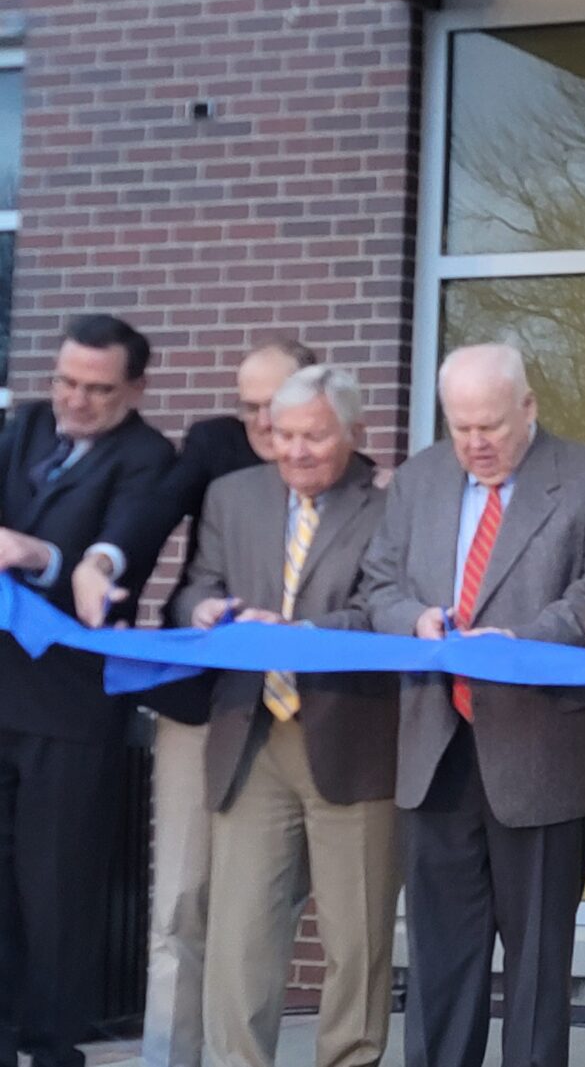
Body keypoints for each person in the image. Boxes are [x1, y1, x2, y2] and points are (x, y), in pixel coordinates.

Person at [361, 344, 585, 1067]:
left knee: (539, 962)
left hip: (540, 748)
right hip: (436, 749)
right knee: (440, 959)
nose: (476, 443)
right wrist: (415, 619)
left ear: (529, 407)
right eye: (461, 428)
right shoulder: (418, 481)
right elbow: (378, 585)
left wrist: (515, 642)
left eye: (491, 426)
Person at [69, 337, 317, 1067]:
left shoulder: (355, 474)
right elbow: (153, 509)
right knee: (181, 902)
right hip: (201, 703)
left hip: (294, 716)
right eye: (247, 407)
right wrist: (102, 560)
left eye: (273, 406)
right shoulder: (216, 445)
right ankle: (168, 1058)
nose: (260, 424)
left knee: (262, 912)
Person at [171, 366, 400, 1067]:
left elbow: (384, 609)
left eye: (315, 436)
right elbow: (195, 588)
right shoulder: (231, 495)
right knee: (240, 938)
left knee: (355, 941)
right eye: (283, 434)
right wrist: (204, 609)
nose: (296, 450)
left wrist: (303, 633)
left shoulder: (392, 501)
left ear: (355, 433)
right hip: (251, 735)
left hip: (352, 738)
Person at [0, 314, 176, 1067]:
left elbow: (123, 543)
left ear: (135, 388)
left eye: (98, 390)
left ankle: (51, 1044)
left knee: (57, 888)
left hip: (70, 708)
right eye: (66, 380)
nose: (75, 399)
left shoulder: (148, 456)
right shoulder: (26, 421)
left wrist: (49, 555)